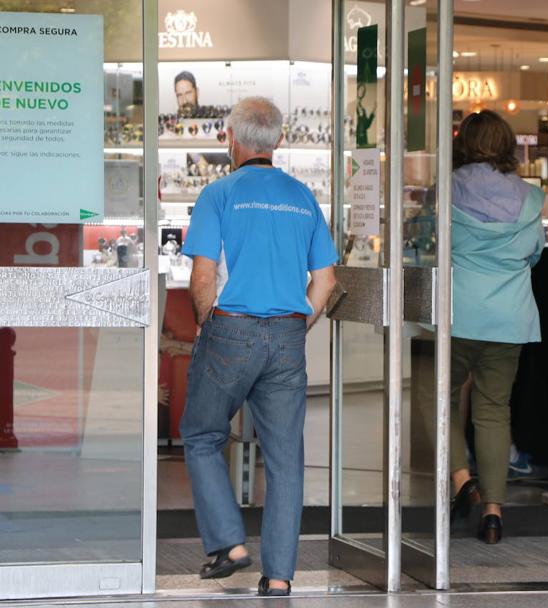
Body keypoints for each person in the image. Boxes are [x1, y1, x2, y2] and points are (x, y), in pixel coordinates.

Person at [180, 97, 337, 596]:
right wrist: (299, 325)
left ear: (231, 137)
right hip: (288, 335)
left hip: (231, 328)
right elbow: (326, 280)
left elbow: (202, 277)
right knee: (286, 456)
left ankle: (229, 544)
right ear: (280, 141)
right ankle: (280, 577)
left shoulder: (218, 194)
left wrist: (210, 324)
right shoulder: (303, 197)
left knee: (202, 433)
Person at [446, 110, 544, 544]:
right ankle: (492, 512)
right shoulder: (529, 198)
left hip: (457, 314)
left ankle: (463, 480)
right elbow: (535, 253)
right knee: (493, 409)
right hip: (509, 316)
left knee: (439, 400)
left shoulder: (445, 190)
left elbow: (430, 244)